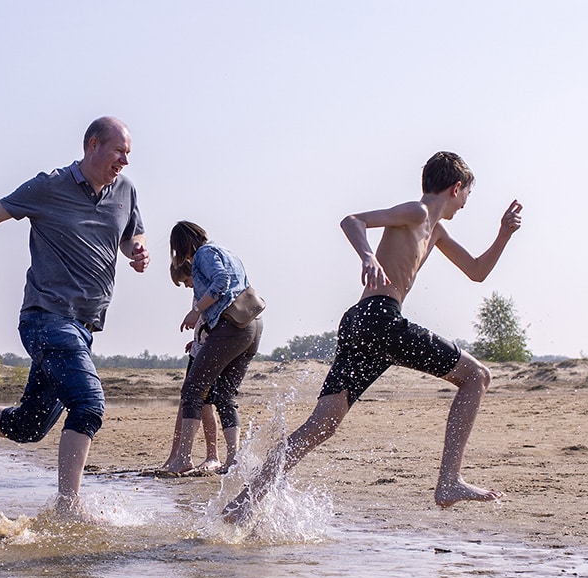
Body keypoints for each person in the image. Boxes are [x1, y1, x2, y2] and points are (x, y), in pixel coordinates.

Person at [224, 151, 522, 523]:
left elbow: (477, 271)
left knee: (322, 425)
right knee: (477, 376)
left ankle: (242, 504)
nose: (464, 205)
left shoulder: (437, 230)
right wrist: (368, 257)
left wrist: (504, 235)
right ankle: (449, 480)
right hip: (380, 319)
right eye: (465, 196)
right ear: (456, 188)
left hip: (361, 323)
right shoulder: (417, 212)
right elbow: (352, 220)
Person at [0, 116, 150, 518]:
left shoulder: (125, 190)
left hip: (83, 325)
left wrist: (138, 250)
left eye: (128, 154)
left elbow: (131, 234)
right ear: (92, 144)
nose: (124, 161)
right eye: (118, 151)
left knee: (29, 426)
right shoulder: (49, 186)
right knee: (89, 404)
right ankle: (67, 506)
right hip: (46, 318)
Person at [165, 221, 264, 474]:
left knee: (193, 390)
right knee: (224, 395)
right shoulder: (226, 252)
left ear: (182, 245)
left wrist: (195, 311)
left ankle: (184, 459)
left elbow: (221, 283)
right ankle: (233, 460)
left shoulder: (204, 254)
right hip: (251, 326)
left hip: (231, 328)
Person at [160, 262, 222, 474]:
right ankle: (176, 455)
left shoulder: (208, 294)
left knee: (204, 405)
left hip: (207, 353)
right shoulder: (199, 295)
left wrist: (205, 342)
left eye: (187, 281)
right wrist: (194, 340)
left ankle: (212, 455)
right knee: (186, 403)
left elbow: (218, 323)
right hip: (197, 350)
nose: (187, 286)